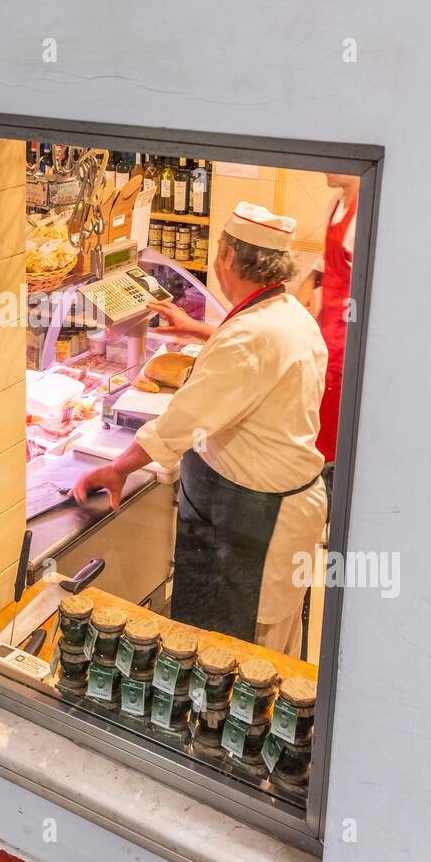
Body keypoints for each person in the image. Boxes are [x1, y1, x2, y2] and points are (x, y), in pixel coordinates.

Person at [71, 202, 328, 656]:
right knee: (269, 650)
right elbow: (259, 360)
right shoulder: (288, 313)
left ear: (229, 256)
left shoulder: (251, 337)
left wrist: (120, 468)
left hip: (252, 526)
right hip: (272, 512)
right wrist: (200, 330)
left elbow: (183, 421)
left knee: (236, 659)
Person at [296, 173, 360, 504]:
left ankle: (330, 502)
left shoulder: (368, 212)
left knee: (333, 433)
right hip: (326, 330)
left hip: (348, 339)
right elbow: (327, 260)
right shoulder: (336, 203)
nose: (325, 169)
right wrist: (309, 283)